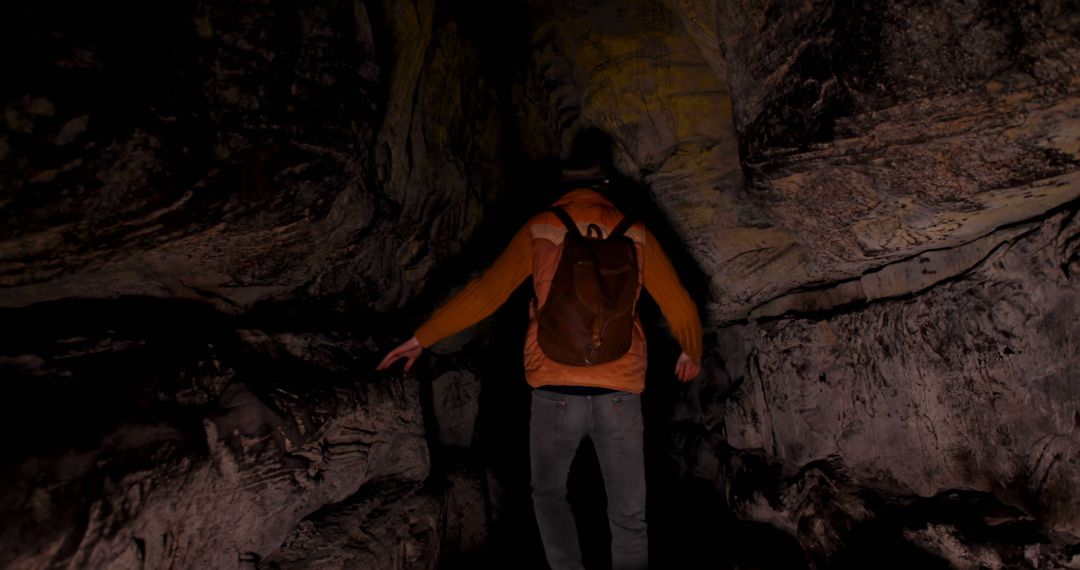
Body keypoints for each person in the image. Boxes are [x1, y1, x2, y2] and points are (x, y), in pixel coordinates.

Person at [377, 129, 702, 570]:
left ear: (564, 187)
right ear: (605, 186)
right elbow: (679, 302)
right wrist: (690, 350)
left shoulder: (543, 227)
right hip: (620, 392)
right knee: (628, 511)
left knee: (549, 494)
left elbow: (486, 292)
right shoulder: (636, 233)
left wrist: (422, 338)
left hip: (555, 388)